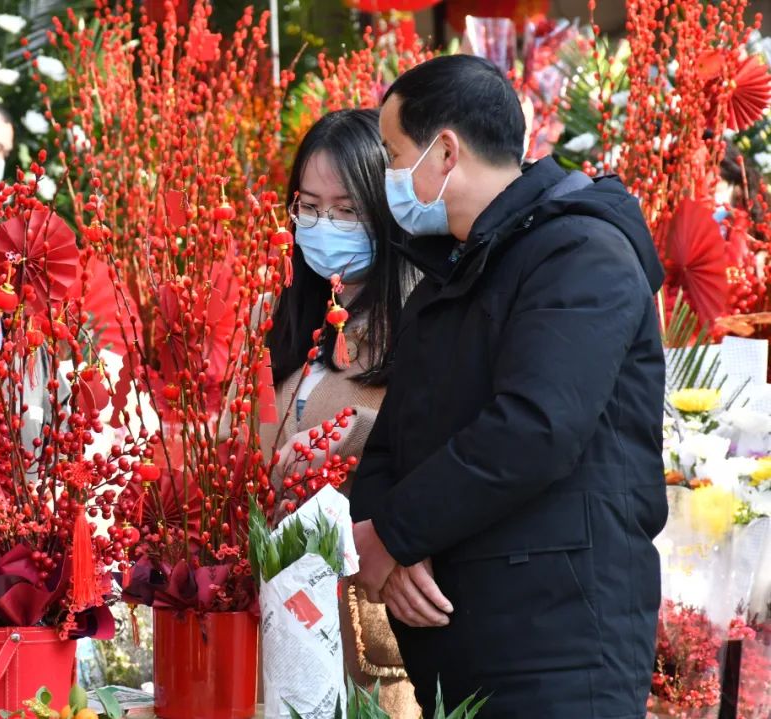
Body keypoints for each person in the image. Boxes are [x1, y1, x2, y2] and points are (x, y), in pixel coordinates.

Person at [350, 54, 667, 717]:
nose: (385, 176)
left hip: (560, 646)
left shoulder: (580, 252)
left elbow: (535, 428)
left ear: (444, 152)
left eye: (391, 153)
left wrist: (397, 533)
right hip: (465, 643)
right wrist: (388, 543)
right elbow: (392, 440)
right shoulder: (452, 276)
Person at [263, 108, 418, 716]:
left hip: (362, 629)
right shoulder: (273, 321)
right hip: (267, 615)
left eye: (348, 210)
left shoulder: (415, 333)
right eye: (309, 206)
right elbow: (227, 448)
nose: (324, 224)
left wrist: (346, 447)